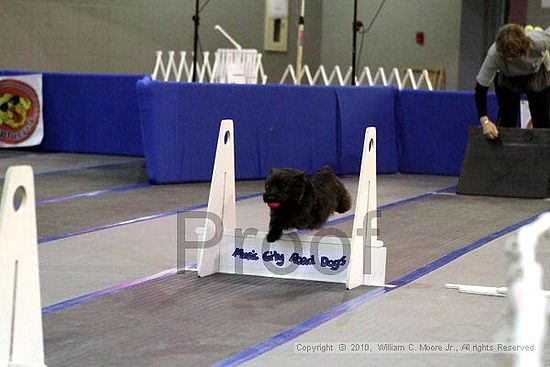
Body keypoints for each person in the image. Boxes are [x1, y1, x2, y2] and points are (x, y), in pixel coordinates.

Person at [475, 23, 550, 139]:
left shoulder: (540, 41)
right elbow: (481, 88)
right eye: (507, 56)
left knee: (542, 121)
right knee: (507, 119)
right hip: (507, 77)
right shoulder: (494, 53)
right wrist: (485, 122)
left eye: (513, 56)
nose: (510, 59)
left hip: (536, 74)